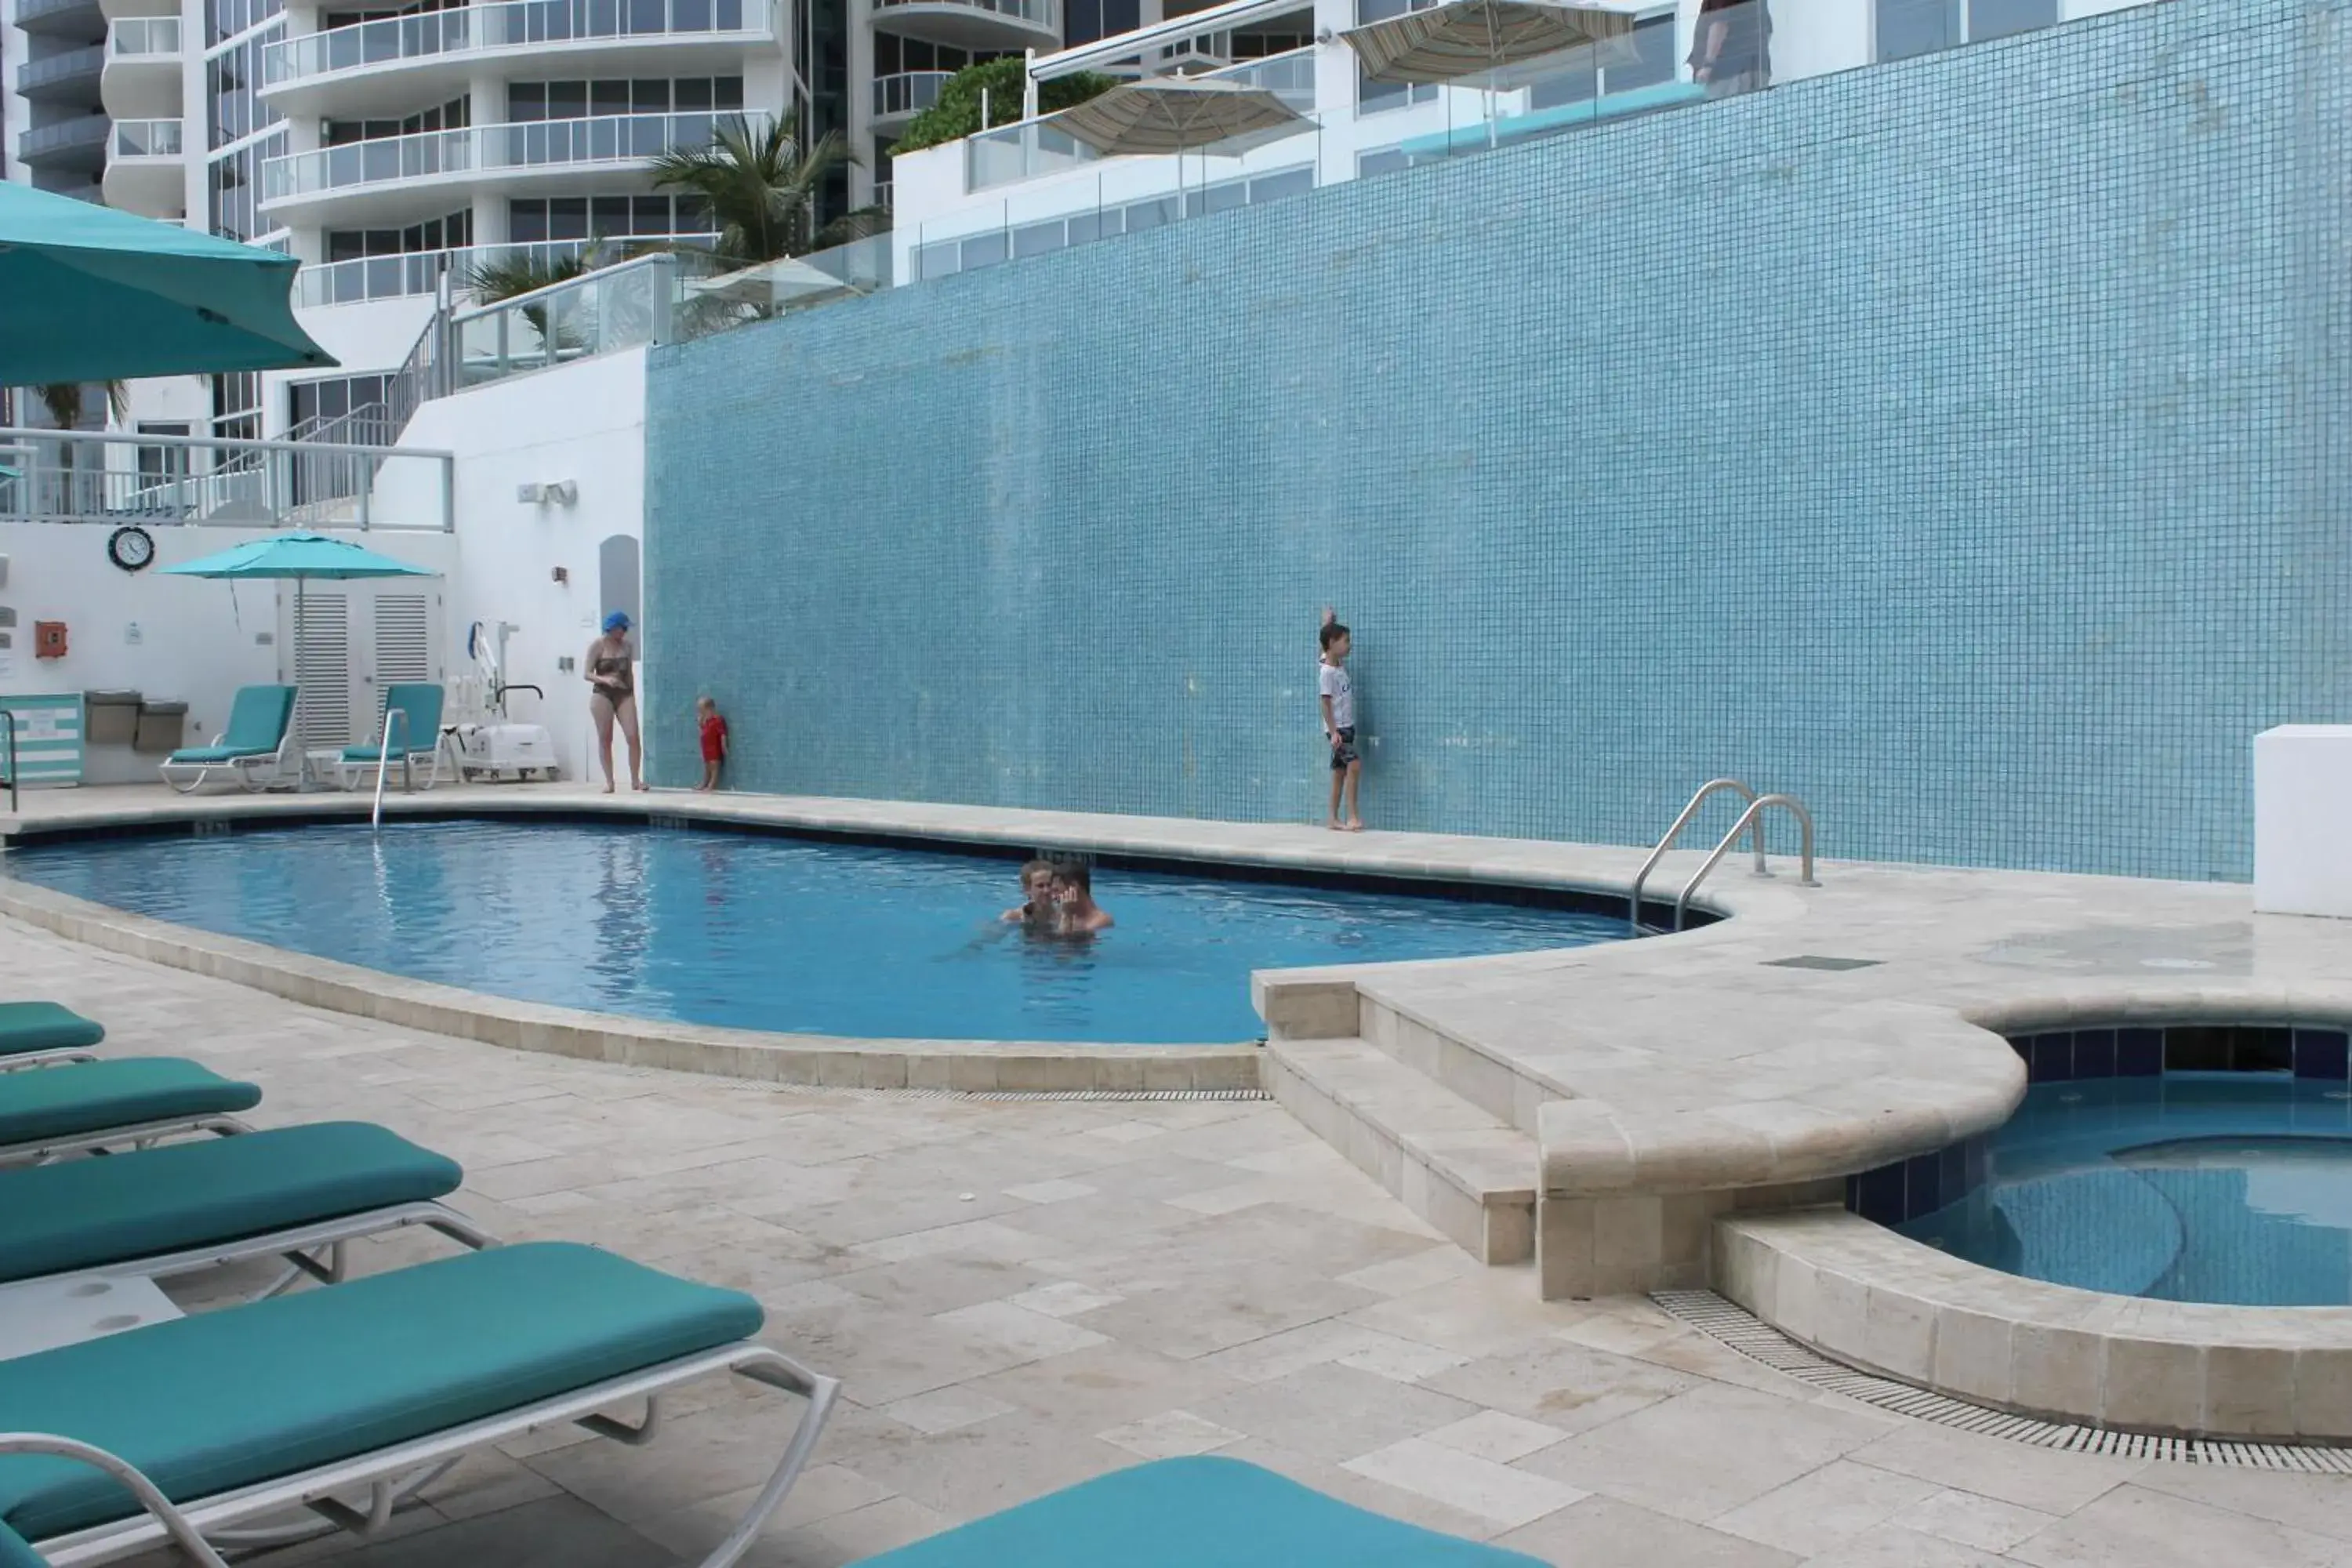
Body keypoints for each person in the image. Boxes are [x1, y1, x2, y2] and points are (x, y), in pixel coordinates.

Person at [586, 611, 645, 794]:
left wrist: (632, 694)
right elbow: (587, 674)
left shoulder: (627, 646)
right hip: (602, 694)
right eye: (622, 628)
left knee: (633, 736)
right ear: (613, 628)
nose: (625, 632)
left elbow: (629, 674)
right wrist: (605, 680)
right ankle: (610, 782)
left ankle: (636, 780)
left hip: (624, 693)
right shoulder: (597, 646)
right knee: (606, 738)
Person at [1319, 608, 1363, 832]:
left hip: (1347, 727)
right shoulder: (1327, 672)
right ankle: (1353, 816)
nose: (1349, 645)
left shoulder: (1334, 664)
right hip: (1338, 730)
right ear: (1333, 643)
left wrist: (1327, 623)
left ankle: (1333, 819)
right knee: (1354, 765)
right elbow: (1325, 703)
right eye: (1346, 641)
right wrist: (1334, 732)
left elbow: (1323, 650)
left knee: (1340, 773)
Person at [1690, 0, 1769, 97]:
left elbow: (1720, 23)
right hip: (1750, 68)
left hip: (1730, 74)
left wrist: (1708, 65)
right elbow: (1768, 30)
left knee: (1728, 109)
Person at [1048, 860, 1113, 934]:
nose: (1053, 897)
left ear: (1073, 887)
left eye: (1056, 891)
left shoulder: (1099, 922)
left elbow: (1064, 943)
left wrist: (1066, 916)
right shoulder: (1058, 914)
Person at [1001, 858, 1058, 924]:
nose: (1047, 890)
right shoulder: (1013, 917)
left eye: (1049, 884)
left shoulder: (1063, 914)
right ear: (1027, 889)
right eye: (1040, 886)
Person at [695, 695, 729, 792]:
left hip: (714, 747)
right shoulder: (706, 720)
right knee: (707, 766)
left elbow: (723, 734)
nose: (701, 713)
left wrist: (724, 745)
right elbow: (701, 731)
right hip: (706, 747)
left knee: (714, 767)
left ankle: (711, 785)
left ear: (711, 709)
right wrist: (700, 722)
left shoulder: (718, 720)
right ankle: (704, 782)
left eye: (703, 711)